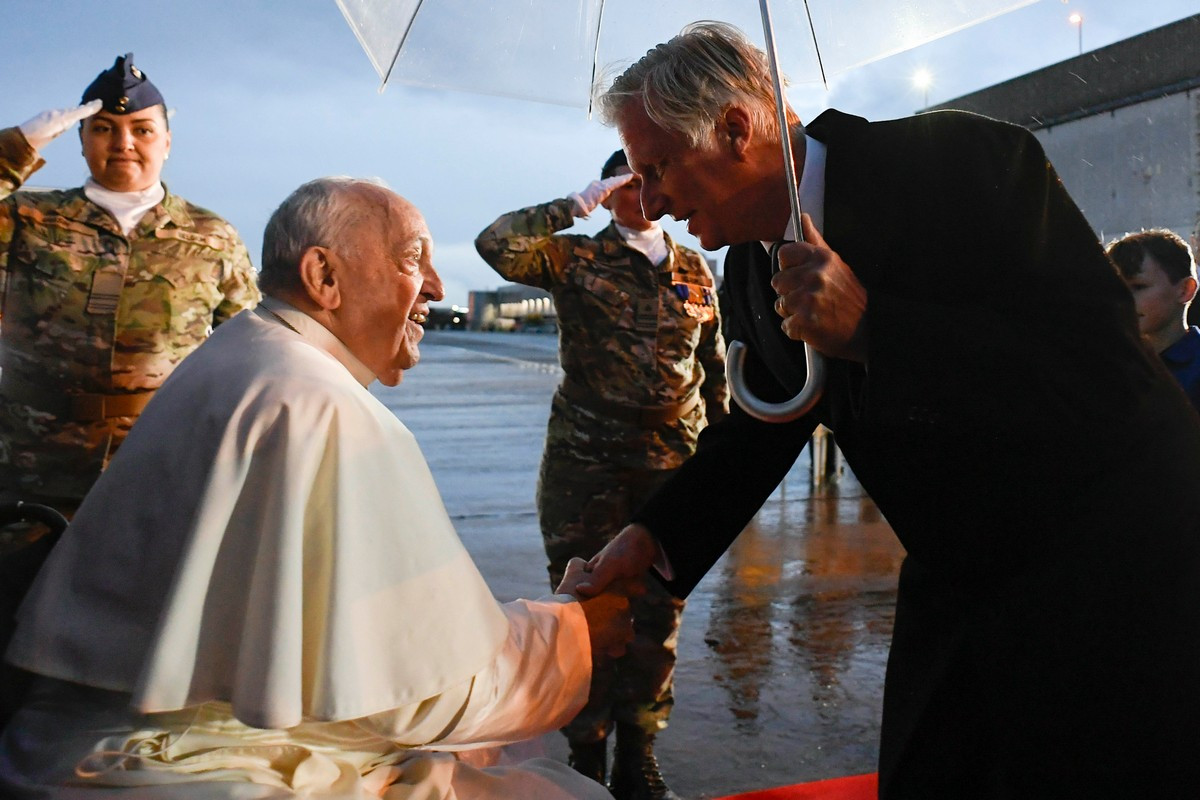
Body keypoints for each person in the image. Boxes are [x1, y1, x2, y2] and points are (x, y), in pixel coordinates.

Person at [577, 22, 1200, 800]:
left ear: (737, 128)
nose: (653, 201)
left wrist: (877, 331)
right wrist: (654, 538)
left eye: (659, 168)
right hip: (961, 566)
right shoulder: (747, 272)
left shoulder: (965, 165)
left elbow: (1103, 375)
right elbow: (767, 423)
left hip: (1114, 564)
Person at [0, 177, 634, 799]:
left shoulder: (245, 354)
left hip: (93, 734)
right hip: (206, 759)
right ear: (323, 277)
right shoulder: (318, 406)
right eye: (413, 259)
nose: (437, 287)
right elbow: (416, 696)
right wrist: (576, 633)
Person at [475, 150, 727, 799]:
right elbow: (495, 244)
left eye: (652, 179)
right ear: (611, 190)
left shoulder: (693, 265)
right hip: (587, 462)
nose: (642, 192)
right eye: (628, 180)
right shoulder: (577, 258)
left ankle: (638, 754)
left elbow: (714, 363)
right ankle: (585, 751)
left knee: (659, 607)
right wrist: (574, 204)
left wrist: (723, 454)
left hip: (673, 458)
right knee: (586, 603)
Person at [0, 53, 260, 529]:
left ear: (167, 142)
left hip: (160, 474)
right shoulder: (25, 219)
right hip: (30, 477)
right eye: (102, 128)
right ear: (78, 140)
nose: (123, 143)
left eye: (142, 129)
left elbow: (254, 351)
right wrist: (16, 148)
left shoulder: (211, 236)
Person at [1106, 228, 1200, 410]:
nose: (1123, 299)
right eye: (1117, 288)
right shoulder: (1112, 362)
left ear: (1185, 290)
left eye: (1138, 287)